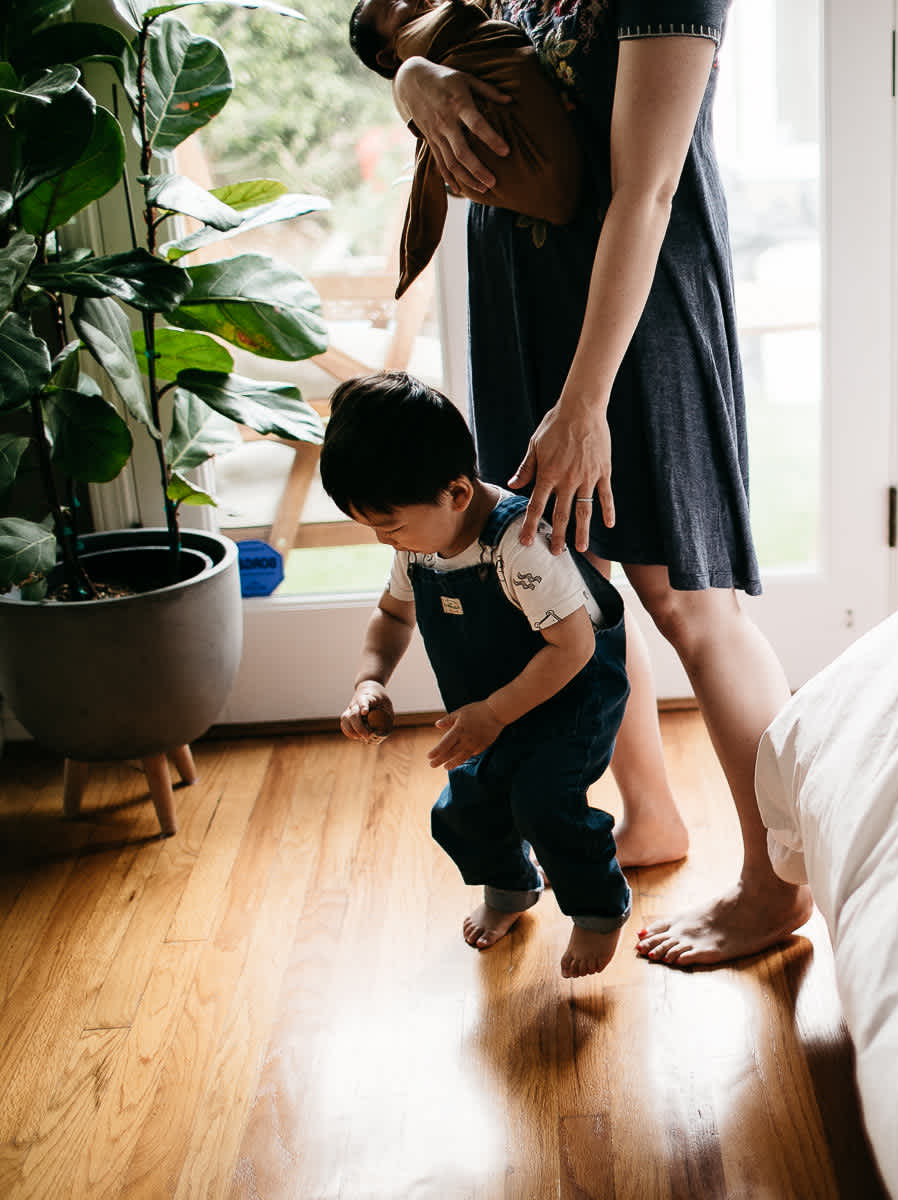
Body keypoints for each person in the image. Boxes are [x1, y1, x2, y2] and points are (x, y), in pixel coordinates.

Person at [387, 0, 813, 966]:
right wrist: (417, 86)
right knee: (569, 580)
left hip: (634, 317)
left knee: (692, 603)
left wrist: (584, 407)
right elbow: (419, 42)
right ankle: (651, 815)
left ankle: (775, 886)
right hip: (522, 299)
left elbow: (648, 189)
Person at [321, 370, 631, 979]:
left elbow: (570, 649)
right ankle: (511, 889)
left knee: (544, 802)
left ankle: (598, 912)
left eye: (391, 525)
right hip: (489, 698)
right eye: (374, 529)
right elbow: (391, 616)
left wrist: (492, 714)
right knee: (466, 806)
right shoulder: (417, 544)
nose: (387, 542)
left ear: (457, 494)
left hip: (572, 694)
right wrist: (369, 680)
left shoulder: (519, 544)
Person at [348, 0, 581, 298]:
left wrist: (410, 73)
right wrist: (408, 76)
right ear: (387, 55)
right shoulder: (429, 39)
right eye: (394, 4)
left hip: (576, 239)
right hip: (508, 254)